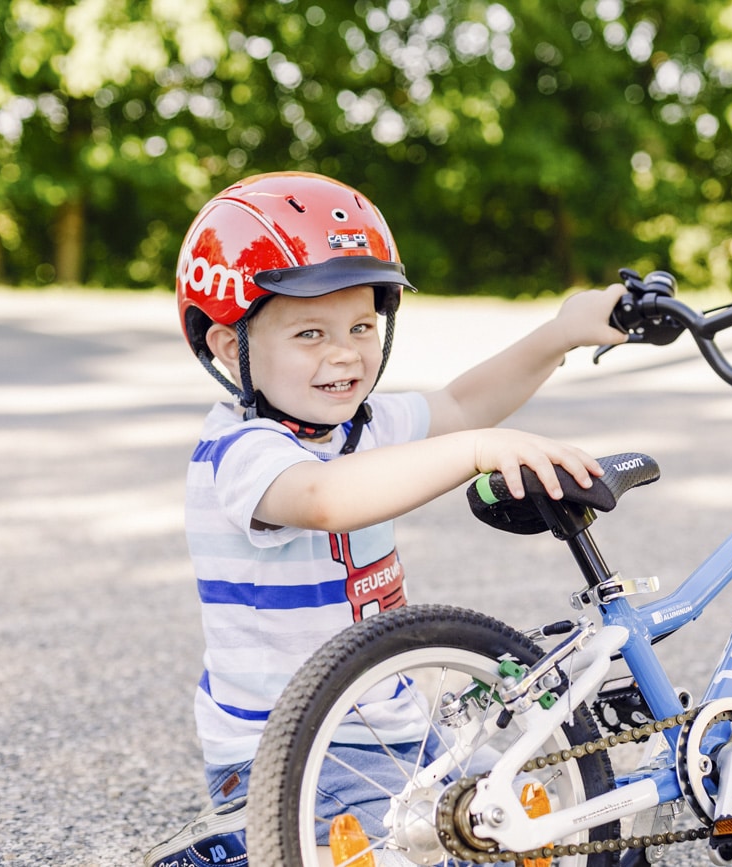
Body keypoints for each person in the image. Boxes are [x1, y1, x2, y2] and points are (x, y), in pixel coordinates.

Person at [143, 171, 626, 867]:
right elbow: (322, 497)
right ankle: (236, 847)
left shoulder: (362, 423)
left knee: (509, 821)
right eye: (310, 331)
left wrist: (560, 334)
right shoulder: (240, 451)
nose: (344, 352)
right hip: (287, 744)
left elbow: (465, 402)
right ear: (229, 346)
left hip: (394, 725)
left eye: (362, 326)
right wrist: (472, 452)